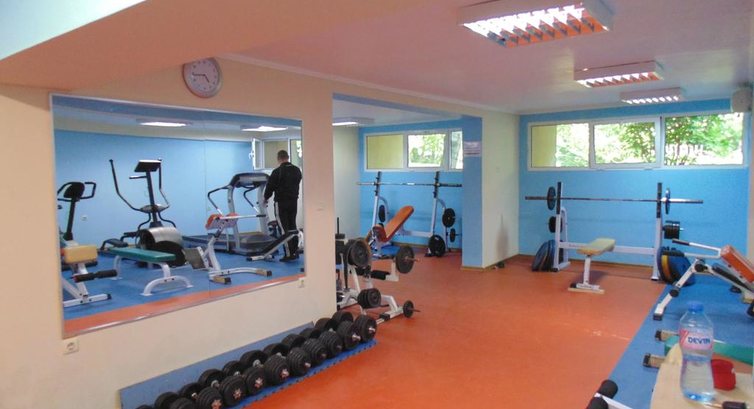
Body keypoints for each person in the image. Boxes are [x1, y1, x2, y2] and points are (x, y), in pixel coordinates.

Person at [264, 150, 302, 261]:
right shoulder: (297, 170)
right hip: (293, 202)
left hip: (281, 203)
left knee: (283, 229)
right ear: (288, 157)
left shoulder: (277, 171)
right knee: (292, 226)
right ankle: (294, 251)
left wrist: (265, 198)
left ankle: (289, 254)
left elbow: (269, 187)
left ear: (278, 158)